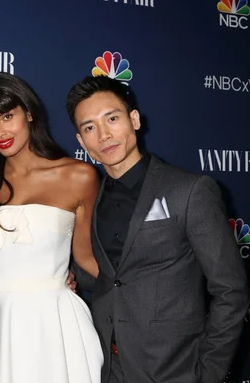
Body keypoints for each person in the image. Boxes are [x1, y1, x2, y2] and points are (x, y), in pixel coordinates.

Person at [66, 75, 249, 383]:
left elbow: (231, 290)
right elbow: (110, 276)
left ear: (134, 119)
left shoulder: (190, 190)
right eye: (90, 127)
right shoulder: (90, 198)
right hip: (106, 367)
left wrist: (208, 373)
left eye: (112, 118)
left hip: (175, 370)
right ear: (82, 142)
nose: (104, 135)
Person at [0, 72, 103, 383]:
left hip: (50, 324)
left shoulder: (78, 176)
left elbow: (88, 259)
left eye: (7, 116)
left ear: (29, 113)